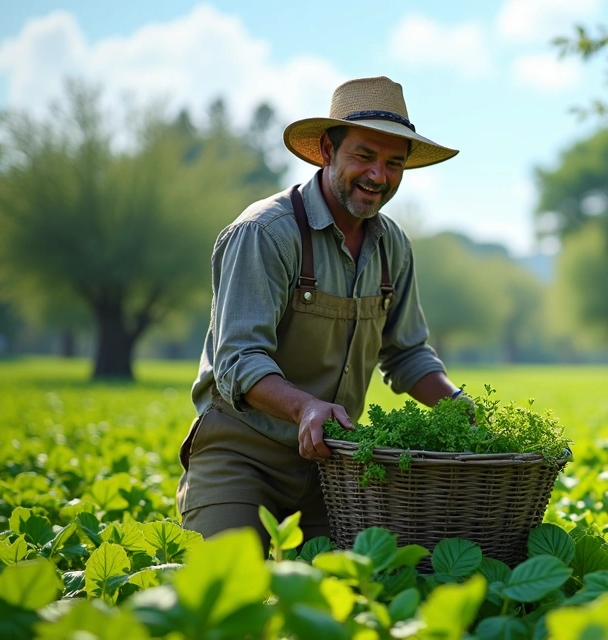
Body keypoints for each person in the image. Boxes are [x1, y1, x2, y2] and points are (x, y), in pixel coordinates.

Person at [176, 76, 464, 545]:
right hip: (241, 455)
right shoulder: (265, 233)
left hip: (337, 466)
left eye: (394, 163)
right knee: (227, 583)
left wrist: (460, 408)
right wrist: (306, 407)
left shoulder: (393, 246)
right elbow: (239, 360)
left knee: (362, 582)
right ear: (328, 151)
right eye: (364, 156)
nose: (378, 176)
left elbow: (408, 353)